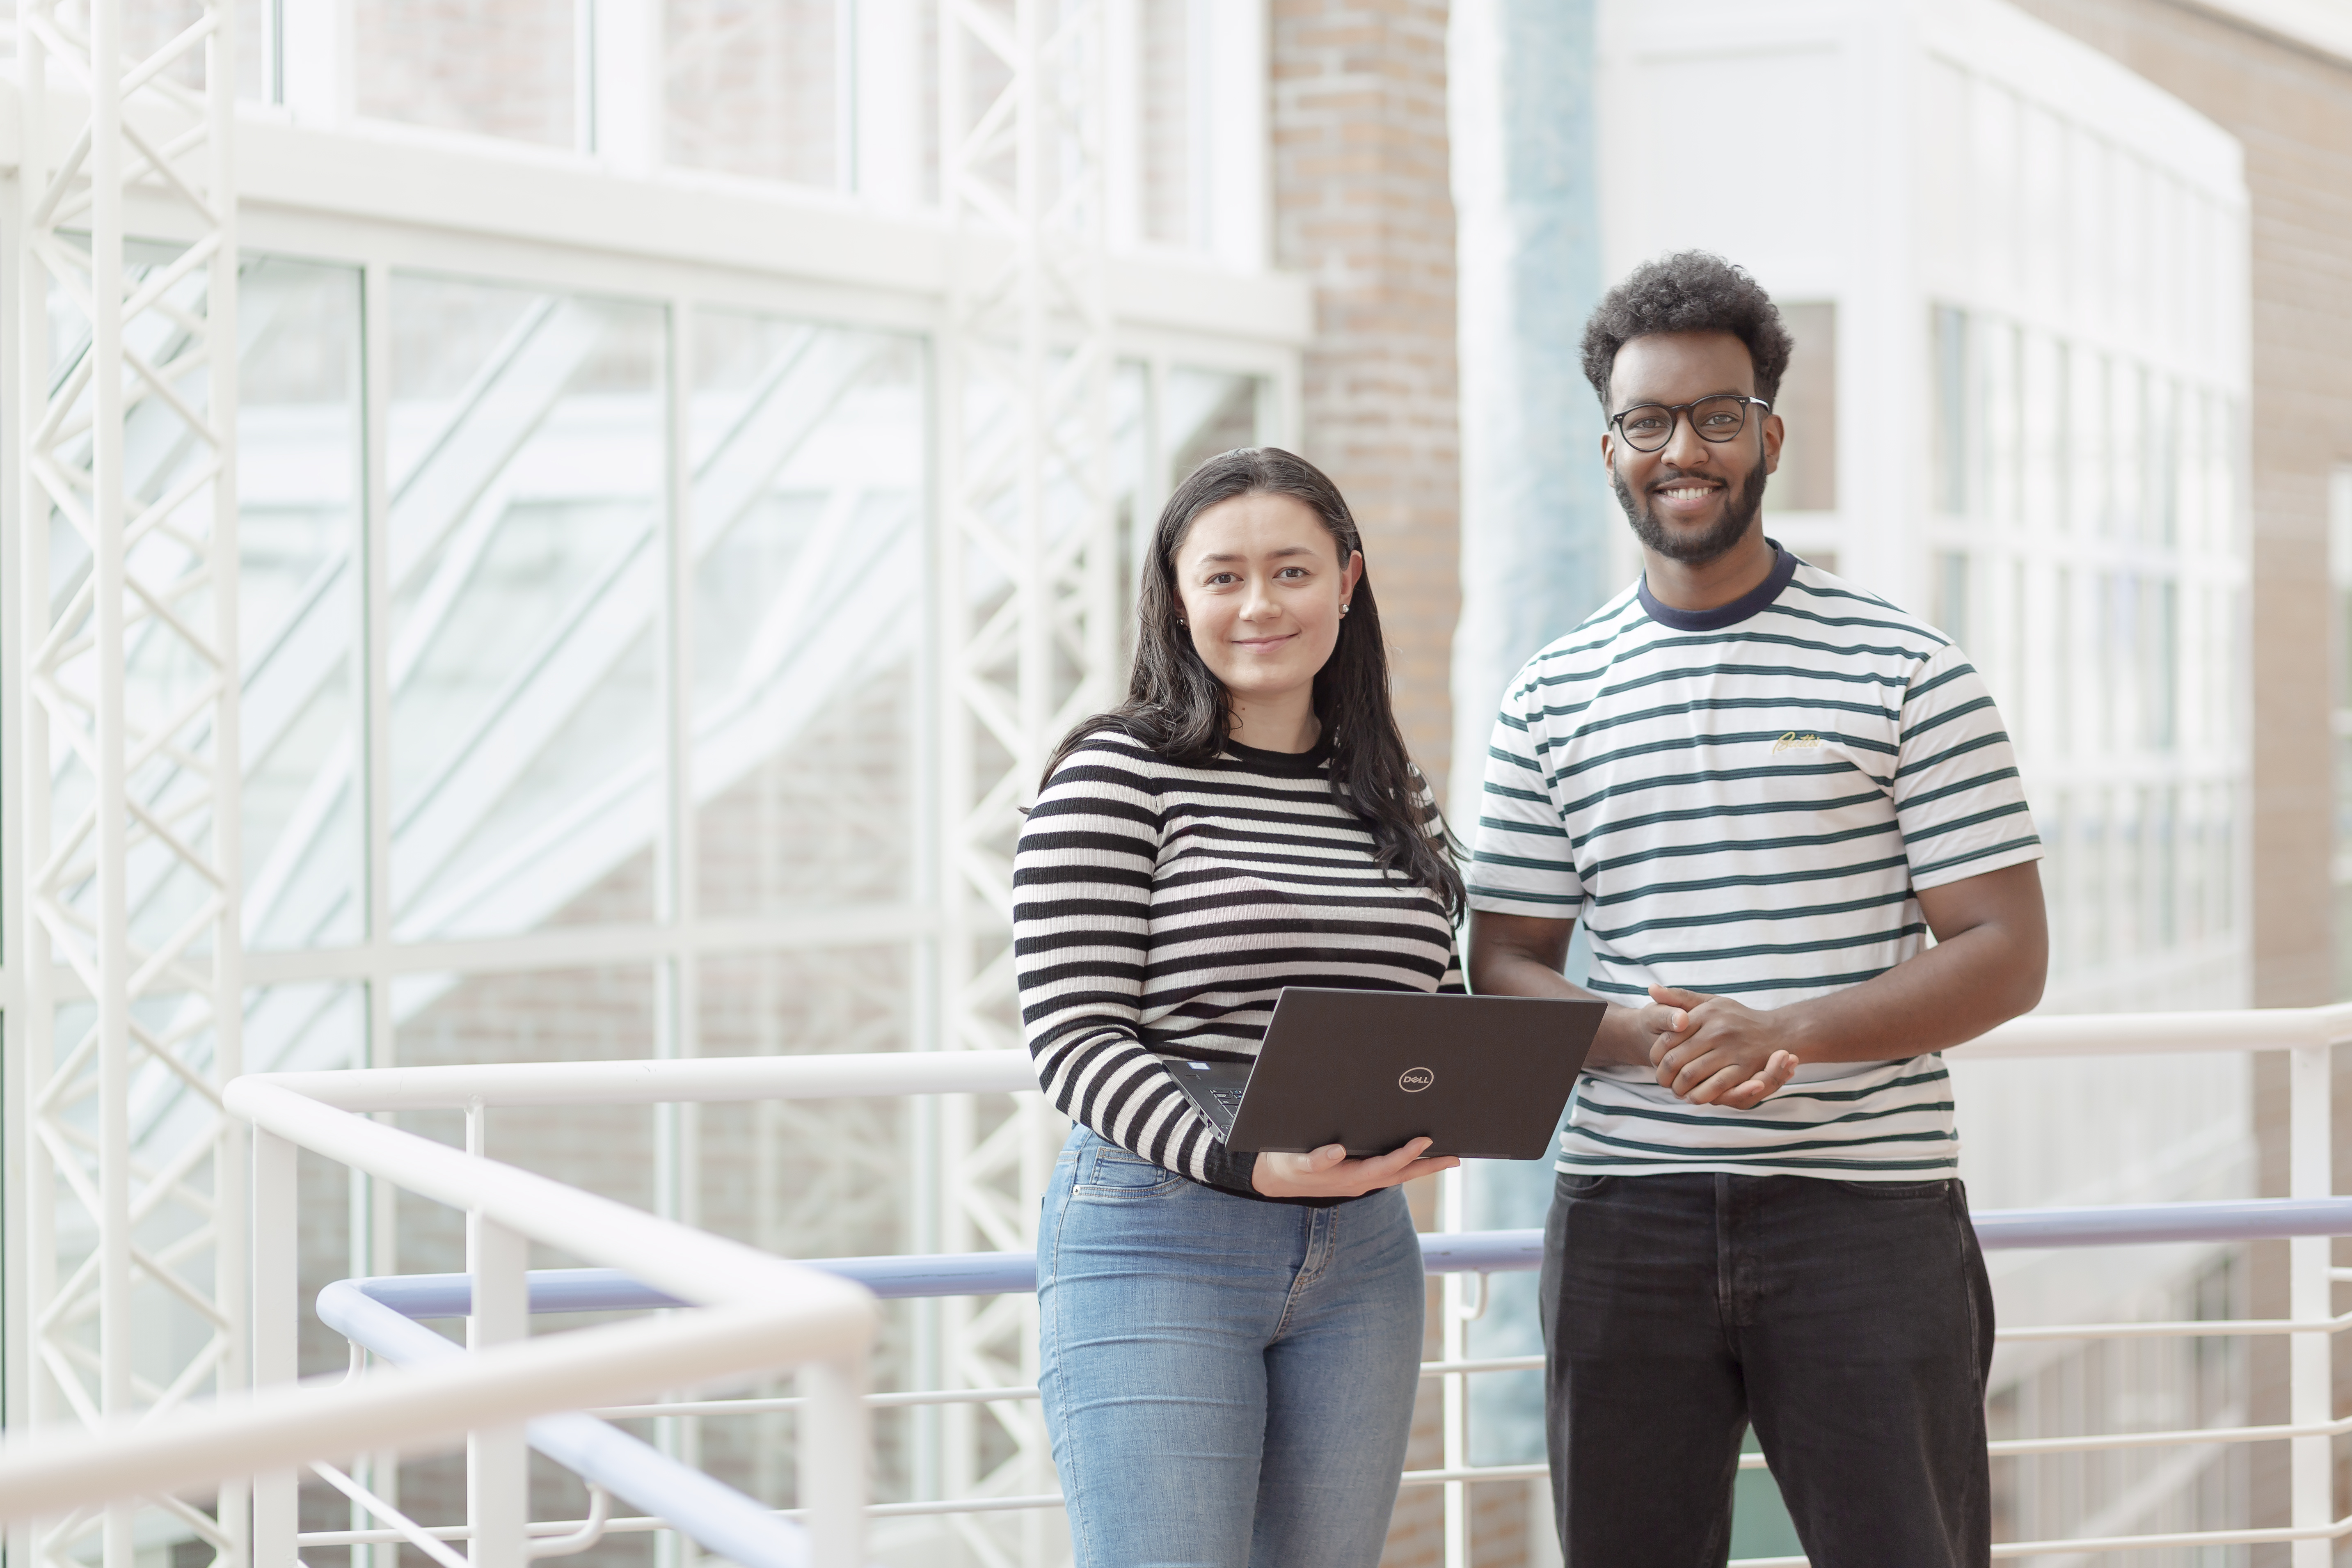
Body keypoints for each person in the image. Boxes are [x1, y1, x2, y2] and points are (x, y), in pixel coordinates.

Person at [1467, 252, 2048, 1568]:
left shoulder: (1909, 671)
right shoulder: (1547, 696)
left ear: (1769, 436)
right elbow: (1499, 961)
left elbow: (2006, 954)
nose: (1682, 450)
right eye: (1647, 422)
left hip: (1866, 1217)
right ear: (1609, 449)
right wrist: (1641, 1037)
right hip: (1623, 1219)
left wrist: (1780, 1033)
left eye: (1716, 417)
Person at [1013, 446, 1464, 1568]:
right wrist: (1245, 1162)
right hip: (1159, 1236)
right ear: (1177, 598)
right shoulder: (1116, 774)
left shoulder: (1390, 793)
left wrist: (1451, 1107)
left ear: (1347, 582)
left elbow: (1434, 1002)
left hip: (1363, 1251)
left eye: (1292, 571)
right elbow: (1072, 1038)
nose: (1260, 604)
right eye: (1223, 577)